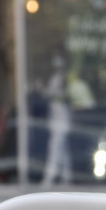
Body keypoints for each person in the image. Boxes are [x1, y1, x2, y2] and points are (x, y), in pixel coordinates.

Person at [42, 55, 72, 186]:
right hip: (57, 119)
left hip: (61, 120)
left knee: (54, 149)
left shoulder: (61, 78)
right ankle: (66, 177)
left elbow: (51, 94)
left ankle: (49, 178)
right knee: (63, 151)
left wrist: (43, 90)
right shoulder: (56, 77)